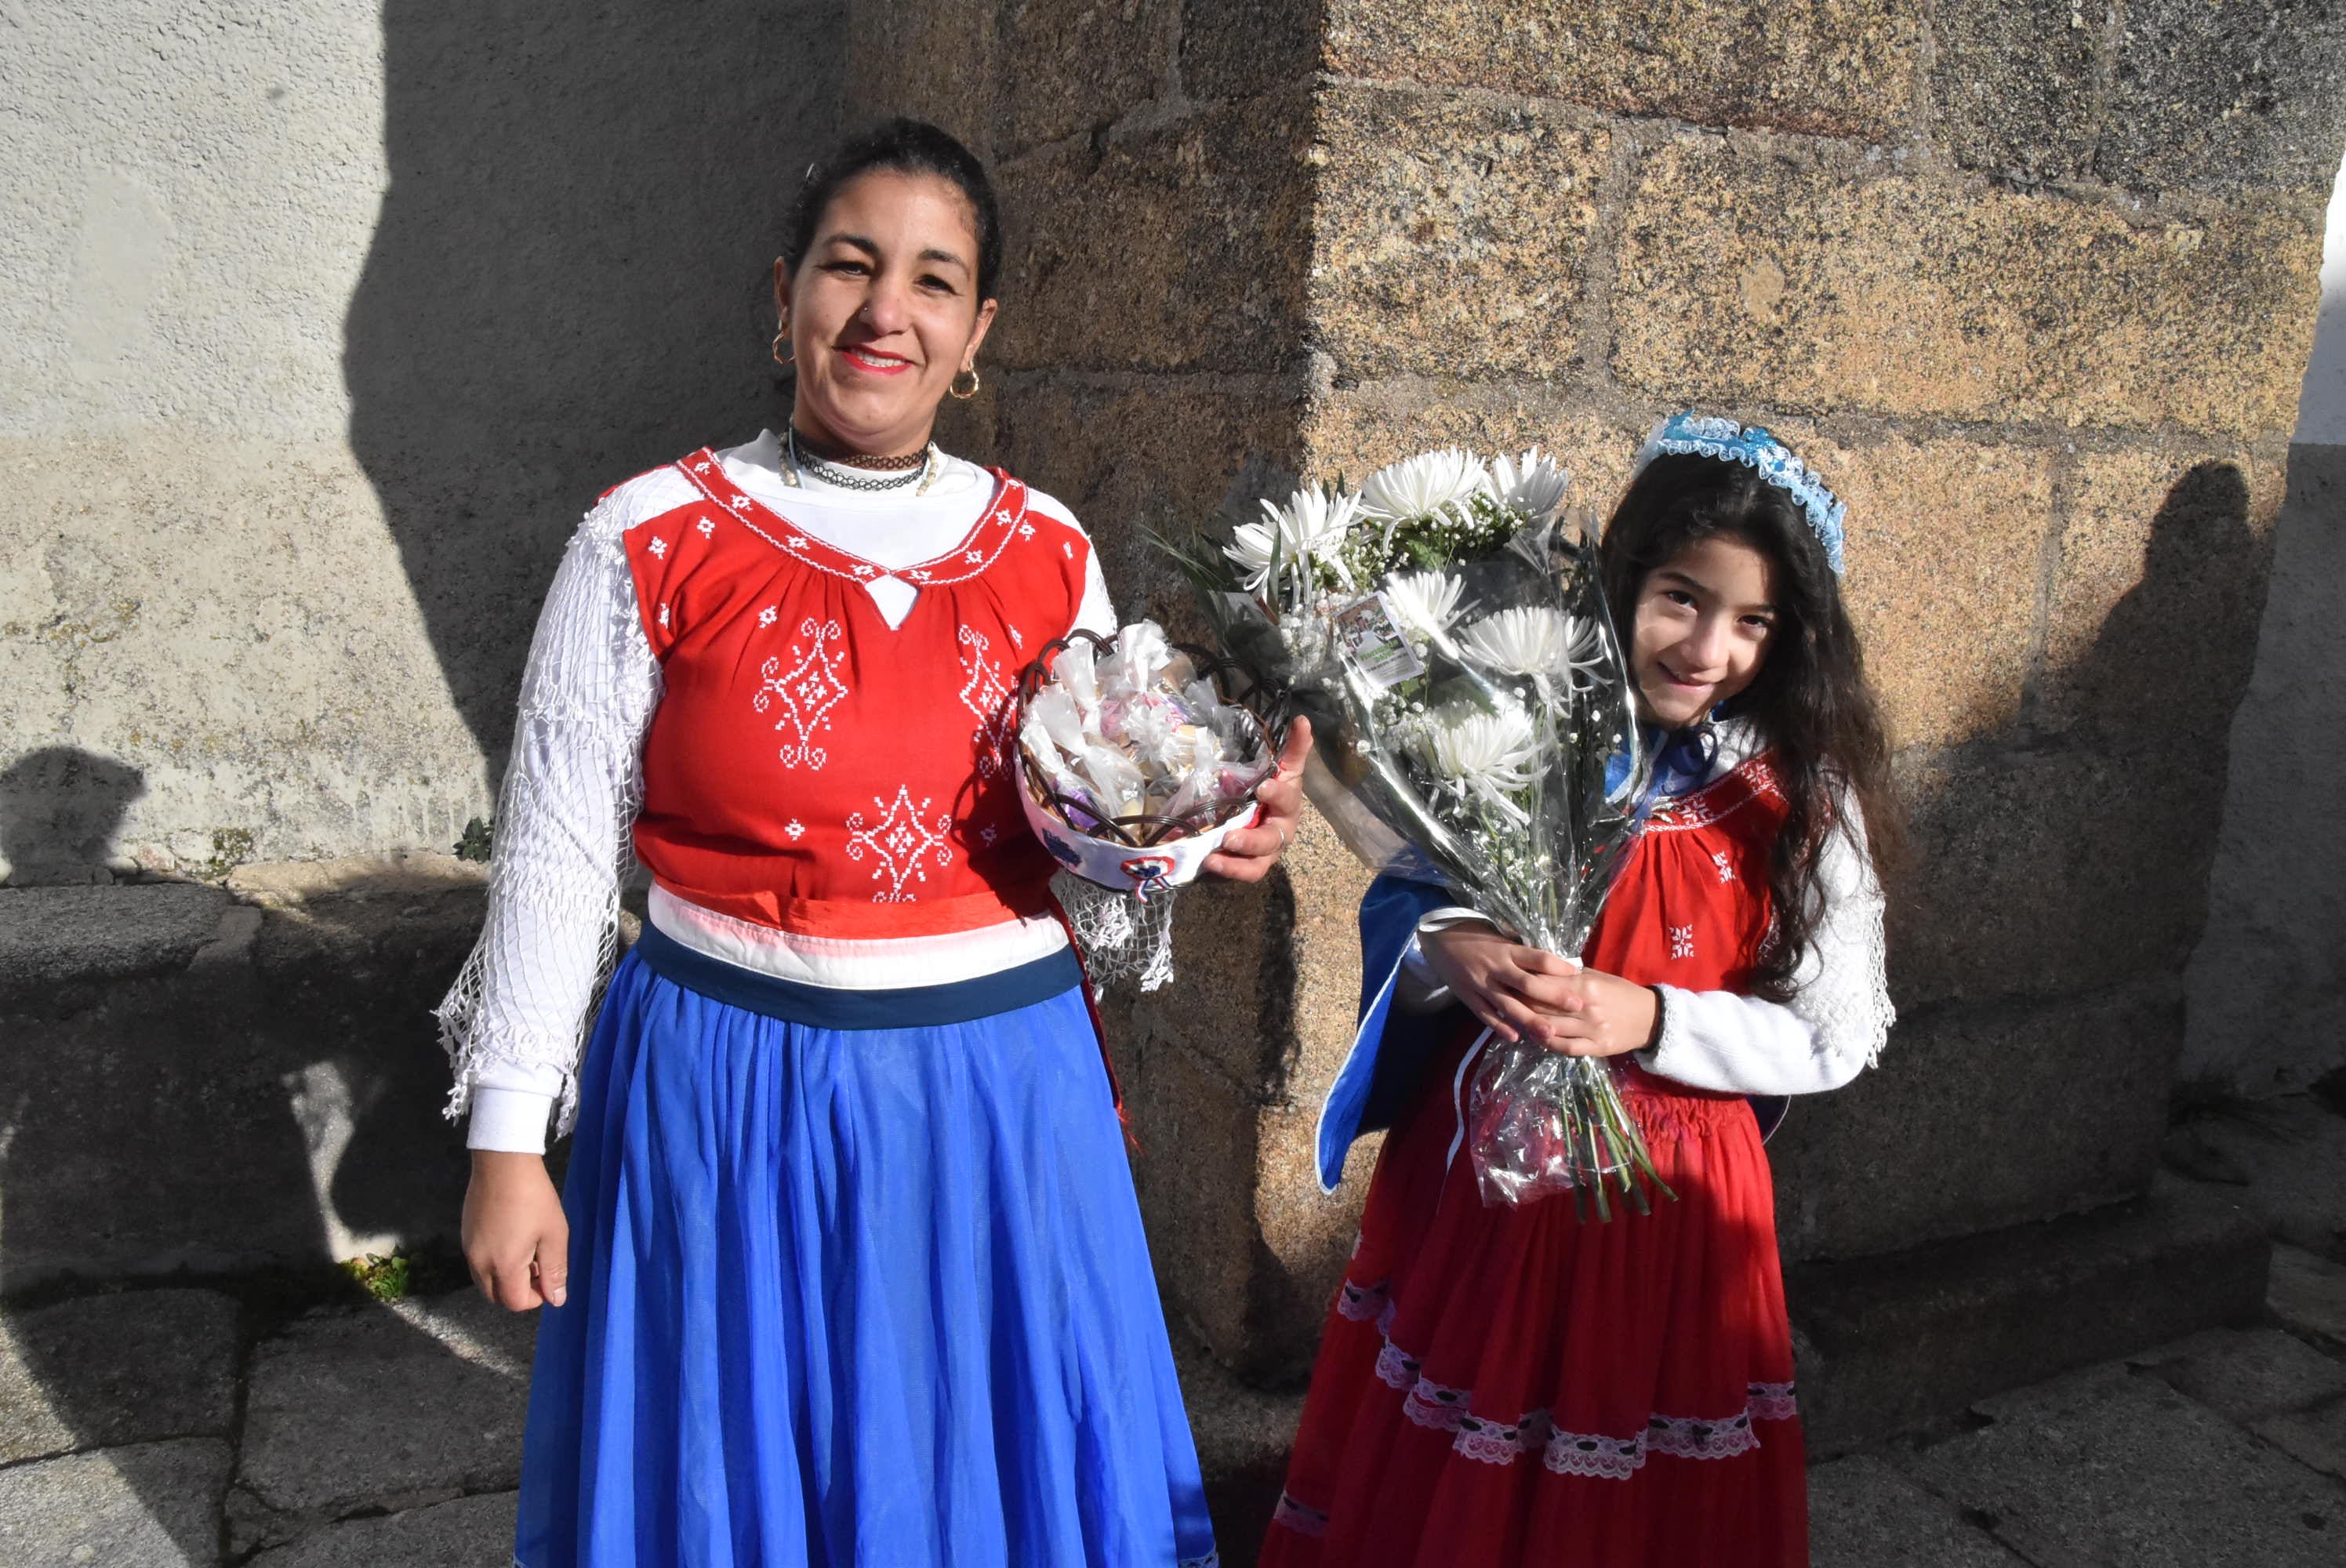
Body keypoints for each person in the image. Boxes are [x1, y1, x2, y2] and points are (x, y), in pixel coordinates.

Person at [442, 116, 1310, 1568]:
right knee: (738, 1469)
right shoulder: (646, 538)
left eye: (932, 280)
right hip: (727, 1089)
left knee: (974, 1457)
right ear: (783, 293)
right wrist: (508, 1144)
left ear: (979, 332)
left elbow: (1097, 815)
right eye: (850, 267)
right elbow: (553, 855)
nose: (883, 311)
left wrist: (1201, 829)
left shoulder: (1046, 550)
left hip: (998, 1089)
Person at [1260, 416, 1898, 1567]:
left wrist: (1650, 1017)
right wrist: (1448, 942)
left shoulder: (1798, 794)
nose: (1708, 646)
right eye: (1680, 597)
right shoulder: (1533, 725)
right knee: (1464, 1458)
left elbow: (1837, 1032)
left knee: (1620, 1483)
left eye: (1752, 621)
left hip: (1663, 1210)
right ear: (1623, 580)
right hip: (1482, 1191)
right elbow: (1419, 877)